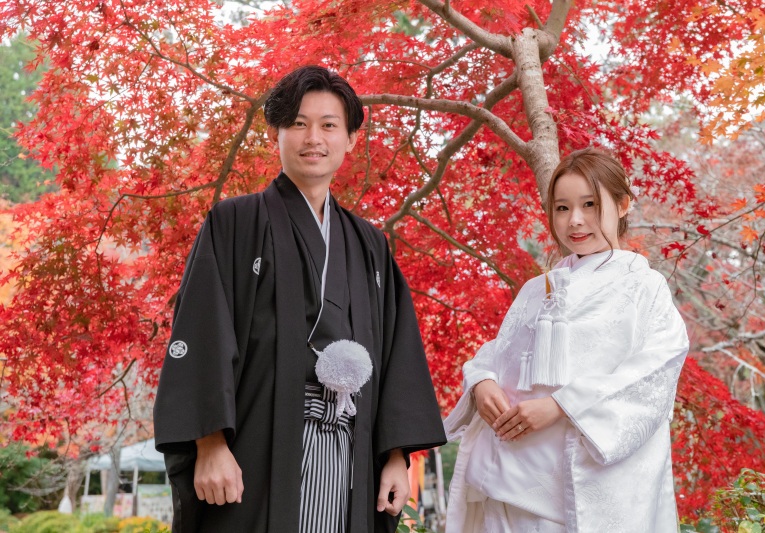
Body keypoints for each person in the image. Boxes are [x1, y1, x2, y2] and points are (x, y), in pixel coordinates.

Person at [153, 65, 446, 533]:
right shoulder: (235, 222)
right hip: (257, 446)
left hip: (350, 454)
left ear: (350, 138)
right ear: (277, 133)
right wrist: (208, 443)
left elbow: (397, 352)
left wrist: (396, 456)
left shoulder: (369, 243)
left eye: (329, 125)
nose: (314, 137)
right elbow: (203, 328)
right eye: (298, 123)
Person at [443, 147, 690, 533]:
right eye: (561, 208)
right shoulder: (534, 290)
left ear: (623, 205)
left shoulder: (645, 287)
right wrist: (481, 381)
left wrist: (562, 405)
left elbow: (653, 373)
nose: (575, 220)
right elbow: (498, 352)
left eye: (590, 204)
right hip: (508, 480)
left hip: (578, 487)